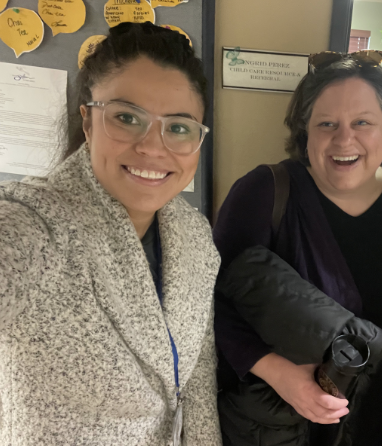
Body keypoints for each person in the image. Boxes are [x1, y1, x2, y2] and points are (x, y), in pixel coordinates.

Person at [0, 23, 221, 446]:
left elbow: (195, 386)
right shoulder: (35, 226)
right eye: (126, 117)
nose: (153, 147)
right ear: (87, 121)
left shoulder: (195, 237)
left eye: (178, 127)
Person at [213, 51, 382, 445]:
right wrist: (277, 371)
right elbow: (210, 303)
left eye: (362, 122)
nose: (344, 139)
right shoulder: (264, 194)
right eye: (326, 124)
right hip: (285, 424)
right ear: (305, 132)